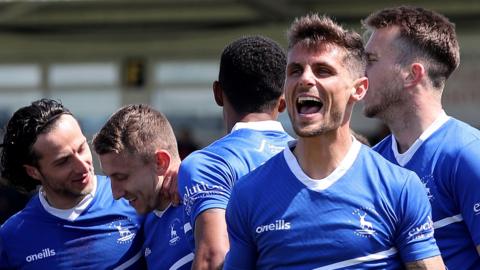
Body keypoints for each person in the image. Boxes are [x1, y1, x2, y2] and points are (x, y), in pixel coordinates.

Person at [223, 14, 444, 269]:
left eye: (323, 70)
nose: (305, 79)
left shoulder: (399, 187)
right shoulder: (249, 193)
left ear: (358, 89)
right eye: (295, 70)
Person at [363, 6, 480, 268]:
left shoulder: (468, 154)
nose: (360, 72)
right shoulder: (371, 163)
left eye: (371, 60)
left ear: (412, 74)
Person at [177, 35, 293, 269]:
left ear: (218, 93)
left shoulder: (207, 164)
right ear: (283, 102)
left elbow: (213, 257)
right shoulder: (309, 159)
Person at [0, 99, 145, 269]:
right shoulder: (11, 238)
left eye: (82, 148)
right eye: (63, 161)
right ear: (33, 171)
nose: (82, 165)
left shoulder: (135, 199)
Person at [93, 104, 193, 269]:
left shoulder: (205, 196)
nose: (115, 194)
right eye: (110, 177)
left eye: (121, 177)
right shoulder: (142, 221)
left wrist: (195, 171)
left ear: (160, 162)